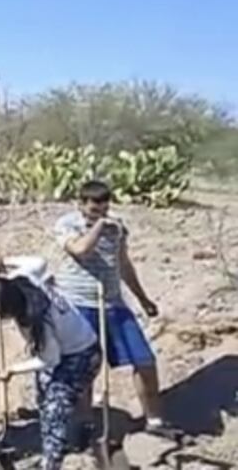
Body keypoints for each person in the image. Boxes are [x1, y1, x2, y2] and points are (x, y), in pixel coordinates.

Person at [52, 180, 171, 434]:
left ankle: (154, 422)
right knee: (84, 366)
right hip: (78, 304)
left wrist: (143, 298)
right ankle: (85, 424)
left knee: (144, 360)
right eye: (95, 209)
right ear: (81, 204)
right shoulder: (67, 224)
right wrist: (98, 226)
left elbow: (124, 265)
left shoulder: (117, 227)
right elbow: (80, 250)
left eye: (104, 208)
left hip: (112, 302)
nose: (101, 213)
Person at [0, 256, 101, 470]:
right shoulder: (23, 279)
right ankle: (54, 447)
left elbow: (50, 359)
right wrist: (6, 261)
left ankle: (51, 462)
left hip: (82, 355)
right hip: (61, 352)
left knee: (54, 407)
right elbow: (40, 262)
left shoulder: (37, 320)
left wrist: (12, 369)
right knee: (44, 400)